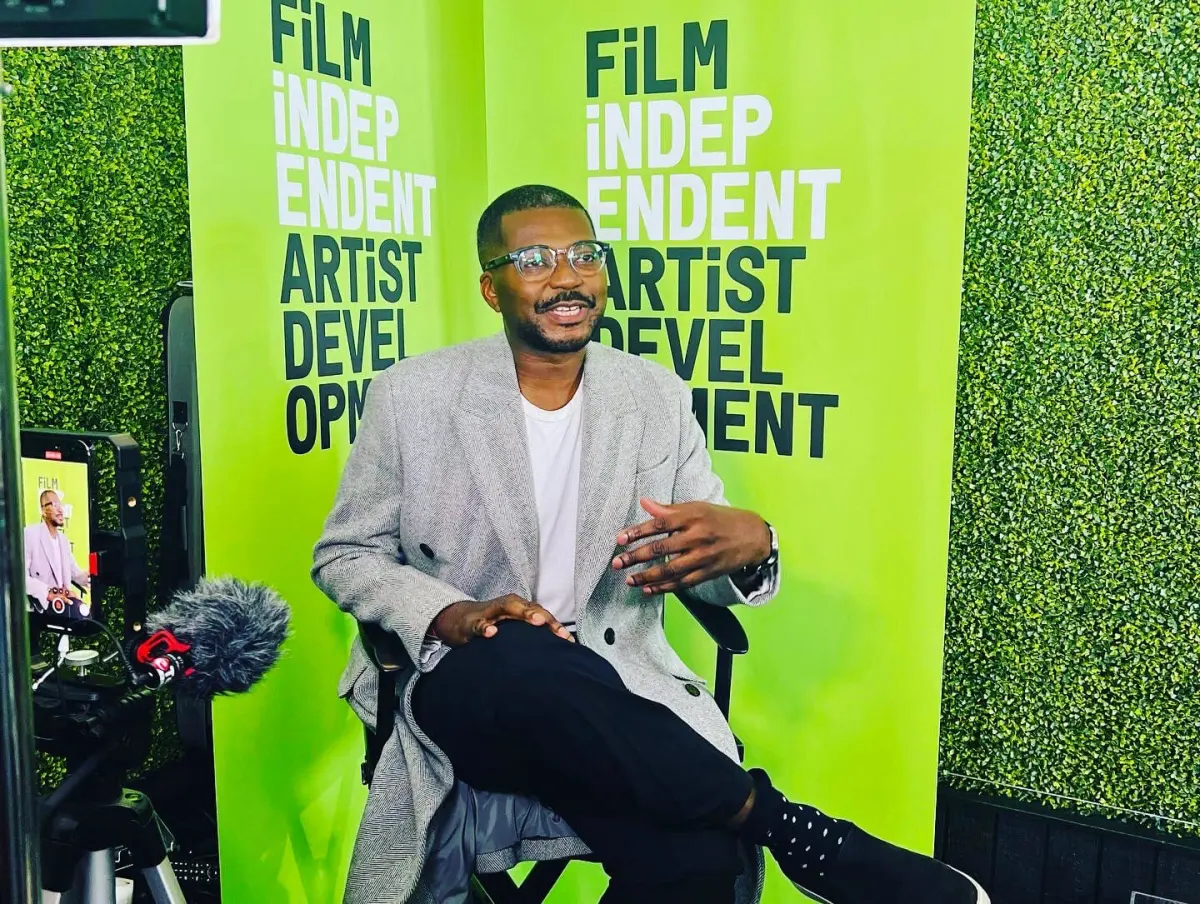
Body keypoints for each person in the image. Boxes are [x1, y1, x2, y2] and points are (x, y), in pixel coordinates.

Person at [313, 185, 990, 904]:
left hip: (612, 688)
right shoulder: (412, 396)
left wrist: (753, 542)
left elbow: (697, 550)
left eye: (584, 255)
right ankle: (796, 831)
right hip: (468, 680)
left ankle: (763, 824)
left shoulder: (655, 396)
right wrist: (448, 613)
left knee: (698, 861)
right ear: (492, 287)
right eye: (535, 259)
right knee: (517, 648)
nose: (566, 276)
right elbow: (345, 553)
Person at [25, 489, 90, 613]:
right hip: (39, 609)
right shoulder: (30, 535)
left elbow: (75, 574)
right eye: (55, 505)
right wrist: (47, 593)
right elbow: (21, 578)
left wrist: (92, 576)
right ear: (43, 510)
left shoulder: (63, 540)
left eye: (61, 505)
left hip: (64, 607)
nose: (60, 510)